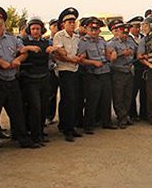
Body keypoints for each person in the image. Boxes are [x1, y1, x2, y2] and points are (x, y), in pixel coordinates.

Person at [0, 5, 38, 154]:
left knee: (17, 111)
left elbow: (23, 52)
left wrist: (19, 60)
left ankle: (22, 139)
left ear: (2, 20)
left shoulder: (12, 38)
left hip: (12, 80)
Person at [20, 17, 58, 145]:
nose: (36, 31)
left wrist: (53, 50)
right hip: (30, 79)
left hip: (44, 77)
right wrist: (28, 48)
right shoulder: (23, 42)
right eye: (33, 29)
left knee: (43, 107)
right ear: (29, 30)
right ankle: (34, 135)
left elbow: (56, 53)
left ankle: (40, 133)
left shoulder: (46, 42)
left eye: (38, 29)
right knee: (34, 107)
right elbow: (16, 51)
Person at [77, 17, 117, 134]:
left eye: (96, 29)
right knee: (92, 100)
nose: (94, 32)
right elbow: (81, 60)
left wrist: (112, 54)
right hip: (92, 74)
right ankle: (89, 125)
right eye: (92, 29)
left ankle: (106, 122)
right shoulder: (83, 42)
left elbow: (108, 52)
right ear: (87, 29)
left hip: (105, 71)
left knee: (106, 98)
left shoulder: (102, 40)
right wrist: (93, 62)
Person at [53, 7, 82, 142]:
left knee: (73, 99)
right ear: (63, 24)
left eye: (73, 21)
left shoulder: (77, 37)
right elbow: (58, 55)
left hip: (75, 70)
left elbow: (78, 53)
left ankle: (69, 125)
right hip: (64, 70)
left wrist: (78, 58)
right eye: (68, 22)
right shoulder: (59, 36)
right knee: (68, 99)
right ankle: (67, 129)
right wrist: (71, 59)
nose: (71, 24)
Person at [108, 19, 137, 128]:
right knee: (118, 97)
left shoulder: (130, 41)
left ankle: (126, 115)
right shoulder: (111, 43)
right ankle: (121, 118)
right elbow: (110, 59)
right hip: (118, 72)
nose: (125, 35)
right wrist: (121, 54)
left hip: (129, 71)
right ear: (118, 32)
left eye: (126, 32)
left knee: (128, 96)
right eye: (123, 32)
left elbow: (137, 51)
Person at [127, 16, 147, 121]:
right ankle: (132, 114)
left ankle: (144, 113)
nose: (138, 29)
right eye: (135, 27)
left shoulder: (143, 37)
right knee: (132, 92)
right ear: (130, 28)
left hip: (144, 67)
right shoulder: (128, 39)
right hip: (134, 67)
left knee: (144, 91)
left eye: (139, 26)